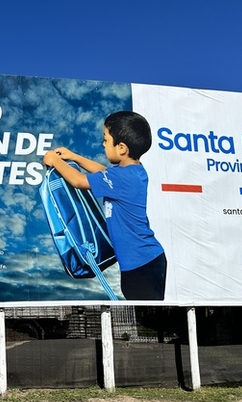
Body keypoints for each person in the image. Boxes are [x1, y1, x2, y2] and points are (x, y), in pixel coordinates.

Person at [42, 111, 166, 300]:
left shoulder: (122, 178)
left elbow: (78, 181)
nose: (103, 144)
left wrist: (54, 161)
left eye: (106, 140)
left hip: (141, 266)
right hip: (145, 261)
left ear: (122, 148)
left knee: (147, 316)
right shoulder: (132, 172)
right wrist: (73, 156)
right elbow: (103, 171)